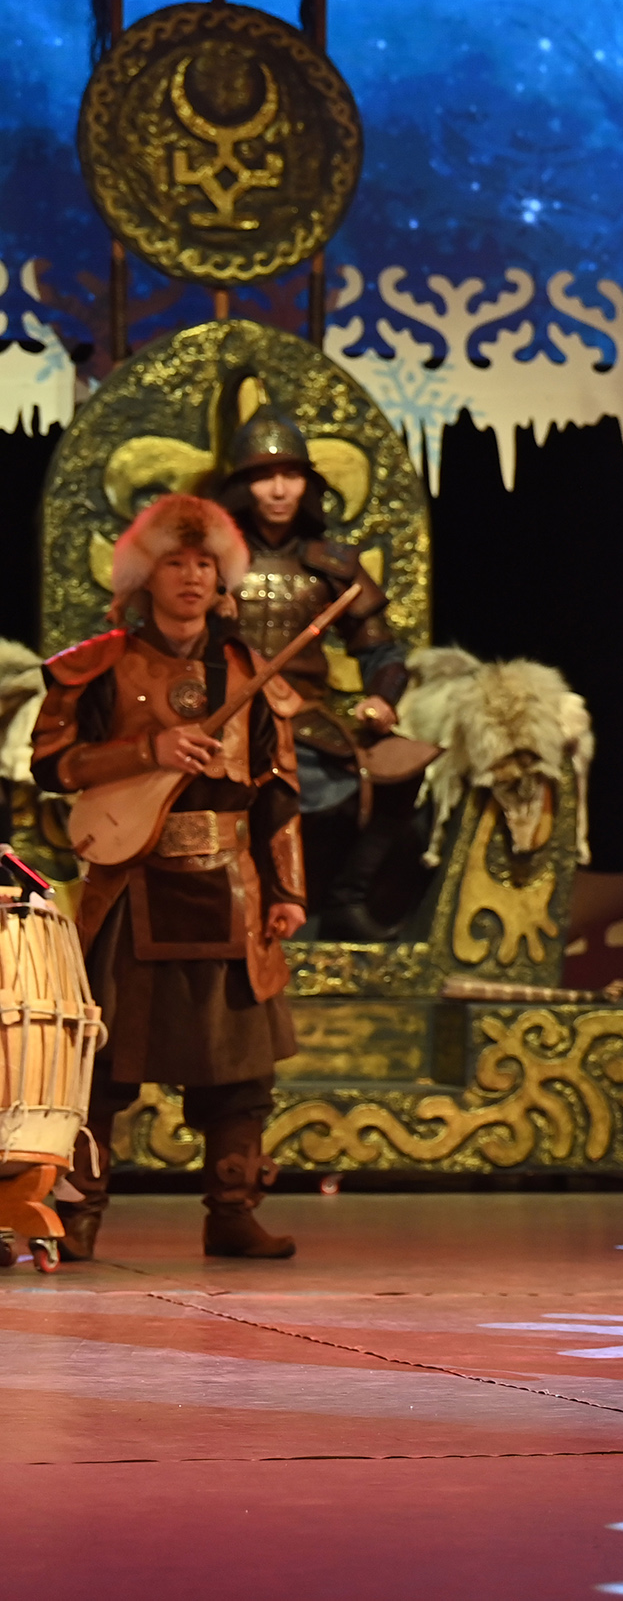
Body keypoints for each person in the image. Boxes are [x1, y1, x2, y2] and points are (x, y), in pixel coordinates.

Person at [32, 495, 307, 1261]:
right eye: (175, 561)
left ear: (222, 578)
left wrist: (287, 892)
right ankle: (79, 1216)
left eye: (204, 563)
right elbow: (51, 764)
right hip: (132, 883)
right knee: (103, 1061)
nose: (190, 576)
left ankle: (232, 1212)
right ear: (144, 574)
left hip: (232, 886)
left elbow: (279, 791)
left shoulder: (249, 671)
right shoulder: (100, 664)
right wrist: (145, 751)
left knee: (241, 1067)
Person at [212, 402, 417, 939]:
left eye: (291, 475)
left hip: (306, 722)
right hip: (225, 717)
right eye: (265, 476)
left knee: (403, 773)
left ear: (307, 484)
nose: (279, 490)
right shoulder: (212, 560)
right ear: (244, 486)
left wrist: (382, 699)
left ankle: (346, 900)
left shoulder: (333, 564)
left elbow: (383, 652)